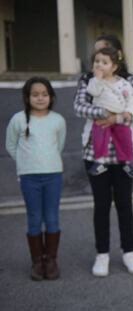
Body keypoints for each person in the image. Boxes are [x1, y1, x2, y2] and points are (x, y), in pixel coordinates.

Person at [74, 34, 133, 277]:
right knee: (101, 205)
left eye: (105, 55)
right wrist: (102, 111)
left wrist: (117, 117)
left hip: (124, 154)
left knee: (124, 204)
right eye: (96, 56)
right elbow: (79, 107)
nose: (99, 63)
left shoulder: (132, 81)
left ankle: (129, 252)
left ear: (117, 57)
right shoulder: (88, 81)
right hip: (94, 152)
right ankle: (102, 255)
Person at [6, 77, 66, 281]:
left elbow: (60, 145)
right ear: (27, 97)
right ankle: (37, 262)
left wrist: (46, 161)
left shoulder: (58, 120)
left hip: (53, 175)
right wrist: (26, 163)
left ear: (51, 97)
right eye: (35, 94)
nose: (40, 98)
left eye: (44, 94)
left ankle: (51, 260)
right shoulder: (18, 120)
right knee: (34, 219)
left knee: (51, 218)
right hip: (29, 177)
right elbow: (11, 146)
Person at [86, 46, 133, 177]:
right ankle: (99, 161)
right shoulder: (94, 81)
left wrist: (129, 112)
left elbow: (131, 98)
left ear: (114, 67)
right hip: (102, 117)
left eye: (104, 62)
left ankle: (128, 161)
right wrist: (97, 79)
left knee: (125, 137)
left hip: (119, 116)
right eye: (97, 61)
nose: (99, 65)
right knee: (99, 138)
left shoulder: (123, 83)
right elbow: (93, 92)